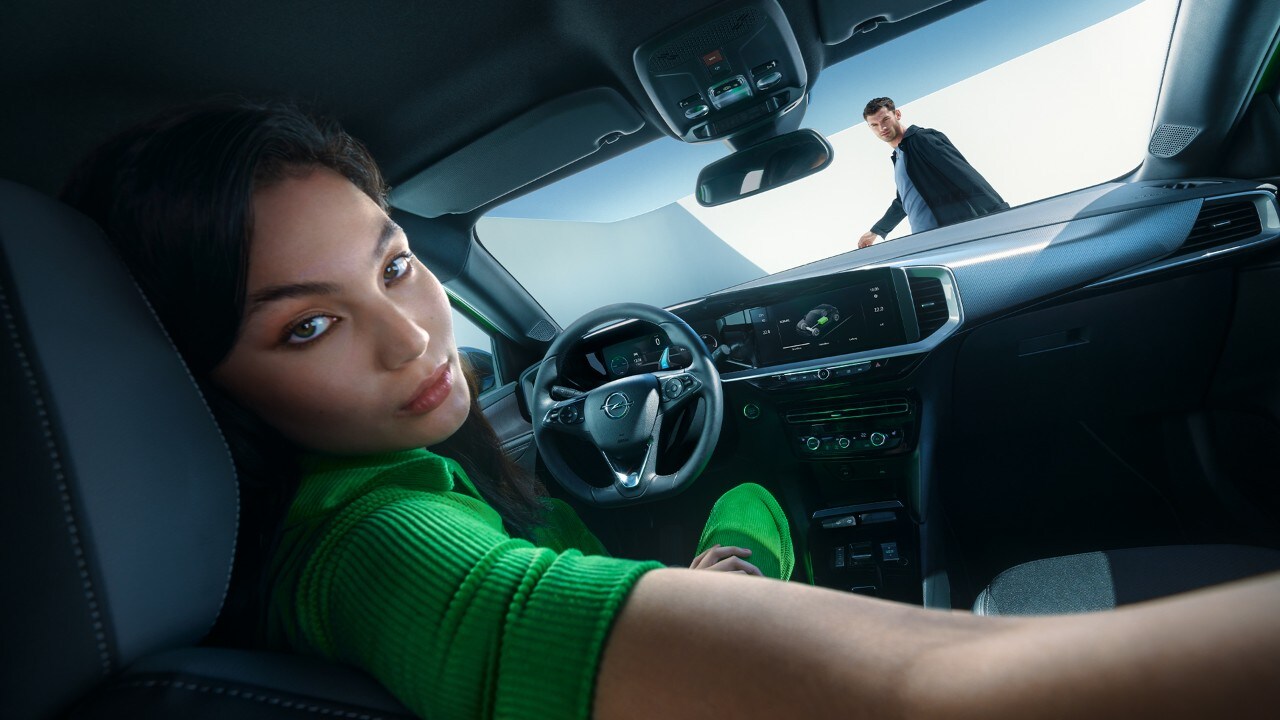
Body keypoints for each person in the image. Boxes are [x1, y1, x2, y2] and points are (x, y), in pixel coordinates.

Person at [61, 100, 1279, 720]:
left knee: (750, 496)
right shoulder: (373, 548)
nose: (414, 332)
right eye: (306, 326)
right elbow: (912, 696)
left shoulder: (395, 489)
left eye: (392, 264)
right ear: (199, 381)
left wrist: (730, 571)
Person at [858, 96, 1008, 248]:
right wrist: (876, 231)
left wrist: (1002, 215)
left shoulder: (921, 139)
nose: (881, 128)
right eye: (874, 125)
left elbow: (965, 176)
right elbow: (903, 201)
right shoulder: (899, 156)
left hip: (952, 233)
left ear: (897, 114)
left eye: (885, 119)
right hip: (925, 240)